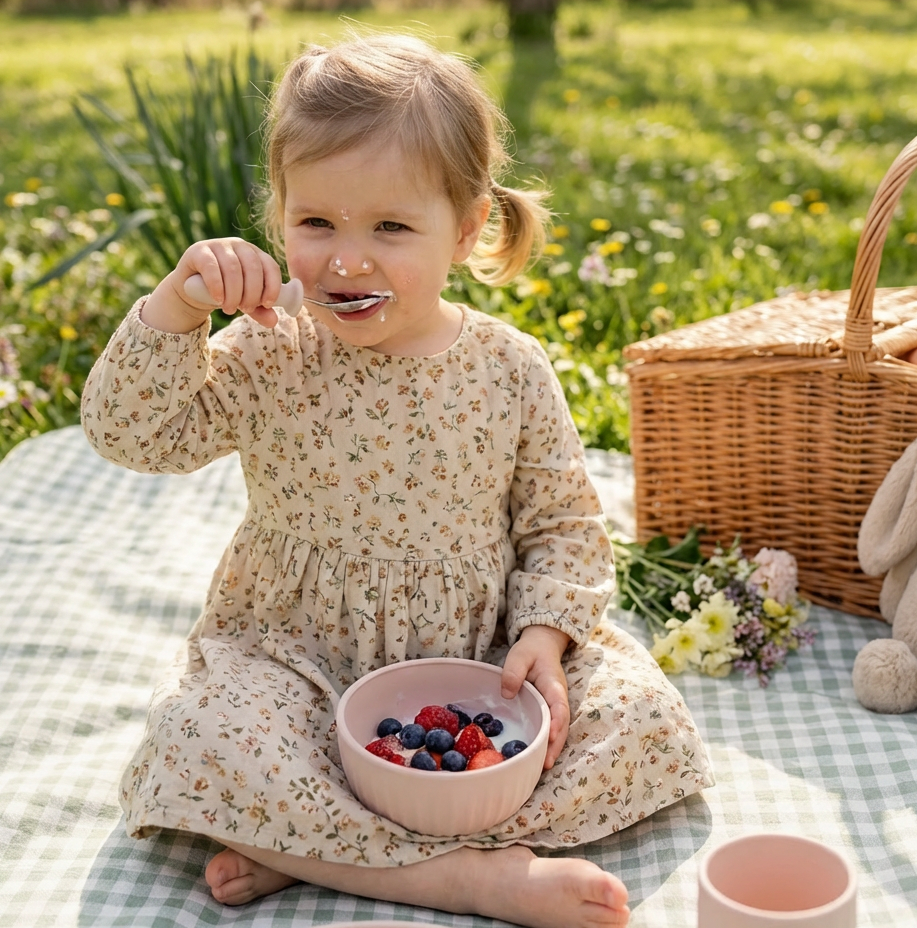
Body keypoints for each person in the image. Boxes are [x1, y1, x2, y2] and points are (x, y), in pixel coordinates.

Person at [81, 32, 713, 928]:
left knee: (644, 723)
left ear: (464, 229)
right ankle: (460, 877)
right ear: (279, 218)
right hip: (296, 662)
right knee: (197, 737)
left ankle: (307, 847)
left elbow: (564, 524)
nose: (347, 259)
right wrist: (175, 307)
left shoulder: (508, 367)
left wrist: (545, 636)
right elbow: (131, 434)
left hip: (476, 660)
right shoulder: (271, 349)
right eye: (316, 224)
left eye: (390, 227)